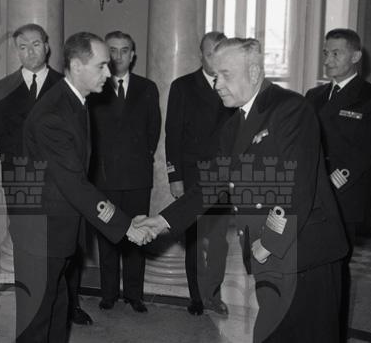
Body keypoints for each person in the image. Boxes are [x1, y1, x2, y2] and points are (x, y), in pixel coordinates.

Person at [136, 37, 349, 342]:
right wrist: (162, 221)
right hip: (270, 254)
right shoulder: (234, 124)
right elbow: (212, 183)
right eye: (215, 76)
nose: (217, 85)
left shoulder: (290, 109)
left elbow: (296, 190)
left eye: (225, 75)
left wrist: (269, 243)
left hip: (303, 253)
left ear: (253, 72)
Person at [14, 32, 151, 342]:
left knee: (57, 311)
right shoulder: (53, 114)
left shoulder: (75, 102)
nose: (109, 72)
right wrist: (125, 225)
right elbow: (74, 183)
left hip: (58, 230)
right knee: (37, 323)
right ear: (76, 66)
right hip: (41, 234)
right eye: (101, 65)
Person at [0, 23, 92, 326]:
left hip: (60, 185)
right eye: (22, 46)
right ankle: (31, 305)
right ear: (16, 51)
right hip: (20, 183)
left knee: (65, 247)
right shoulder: (2, 88)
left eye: (36, 44)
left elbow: (80, 138)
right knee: (26, 248)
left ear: (47, 47)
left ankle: (70, 305)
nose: (30, 52)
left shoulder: (68, 86)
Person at [305, 28, 371, 335]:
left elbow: (363, 154)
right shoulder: (314, 96)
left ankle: (334, 334)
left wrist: (328, 183)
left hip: (341, 197)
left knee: (336, 269)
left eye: (336, 53)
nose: (328, 59)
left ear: (355, 56)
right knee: (311, 268)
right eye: (326, 53)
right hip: (310, 195)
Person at [88, 30, 160, 313]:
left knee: (137, 234)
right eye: (113, 50)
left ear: (133, 55)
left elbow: (153, 130)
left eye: (124, 50)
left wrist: (140, 157)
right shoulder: (96, 86)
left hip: (137, 176)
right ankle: (108, 294)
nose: (118, 56)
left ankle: (134, 294)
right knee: (107, 235)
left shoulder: (147, 87)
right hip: (103, 176)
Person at [165, 31, 234, 316]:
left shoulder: (234, 83)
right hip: (192, 175)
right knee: (193, 238)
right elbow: (173, 134)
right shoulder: (183, 86)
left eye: (220, 52)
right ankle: (196, 296)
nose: (215, 59)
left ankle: (213, 294)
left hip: (223, 176)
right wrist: (175, 177)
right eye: (209, 53)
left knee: (218, 240)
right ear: (200, 55)